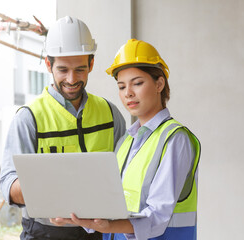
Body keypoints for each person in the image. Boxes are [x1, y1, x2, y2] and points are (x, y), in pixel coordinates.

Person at [50, 39, 201, 240]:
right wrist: (75, 216)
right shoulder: (126, 141)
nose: (128, 93)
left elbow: (157, 216)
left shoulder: (175, 139)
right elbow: (112, 204)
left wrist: (108, 226)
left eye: (137, 83)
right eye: (121, 86)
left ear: (159, 83)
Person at [0, 16, 126, 240]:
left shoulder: (110, 114)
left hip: (99, 233)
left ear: (91, 64)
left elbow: (126, 174)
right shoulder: (29, 118)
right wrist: (51, 199)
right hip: (44, 233)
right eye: (63, 69)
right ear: (48, 65)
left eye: (80, 69)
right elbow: (9, 187)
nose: (71, 79)